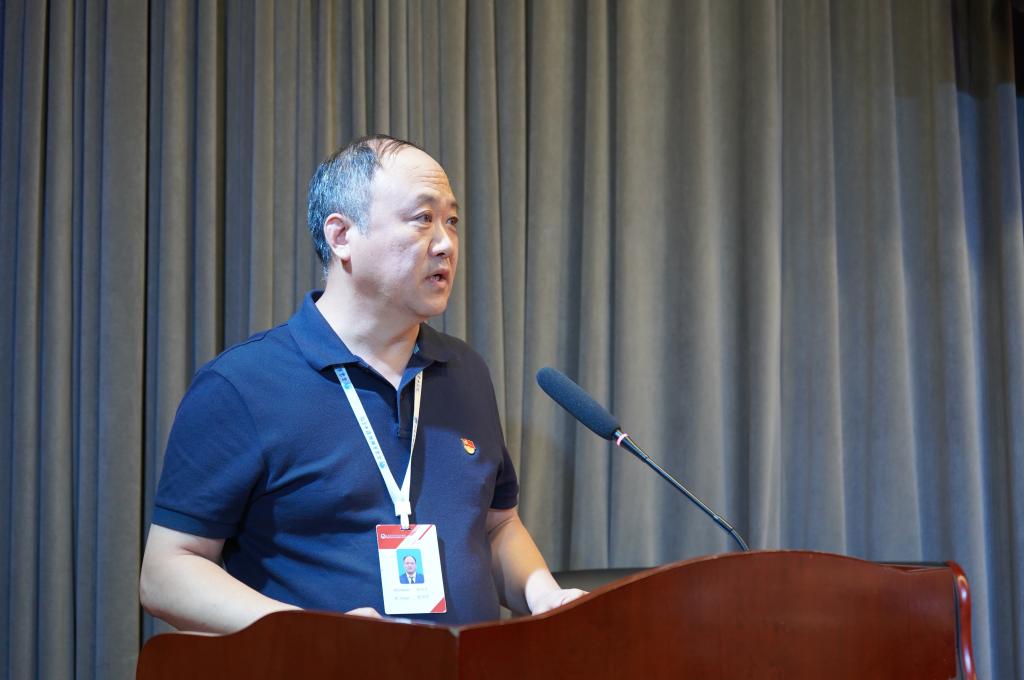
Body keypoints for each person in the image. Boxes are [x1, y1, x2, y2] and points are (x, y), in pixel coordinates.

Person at [139, 134, 584, 633]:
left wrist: (543, 594)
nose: (446, 243)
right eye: (423, 218)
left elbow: (497, 524)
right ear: (341, 235)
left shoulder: (465, 370)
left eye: (452, 221)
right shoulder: (241, 384)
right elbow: (167, 572)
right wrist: (317, 636)